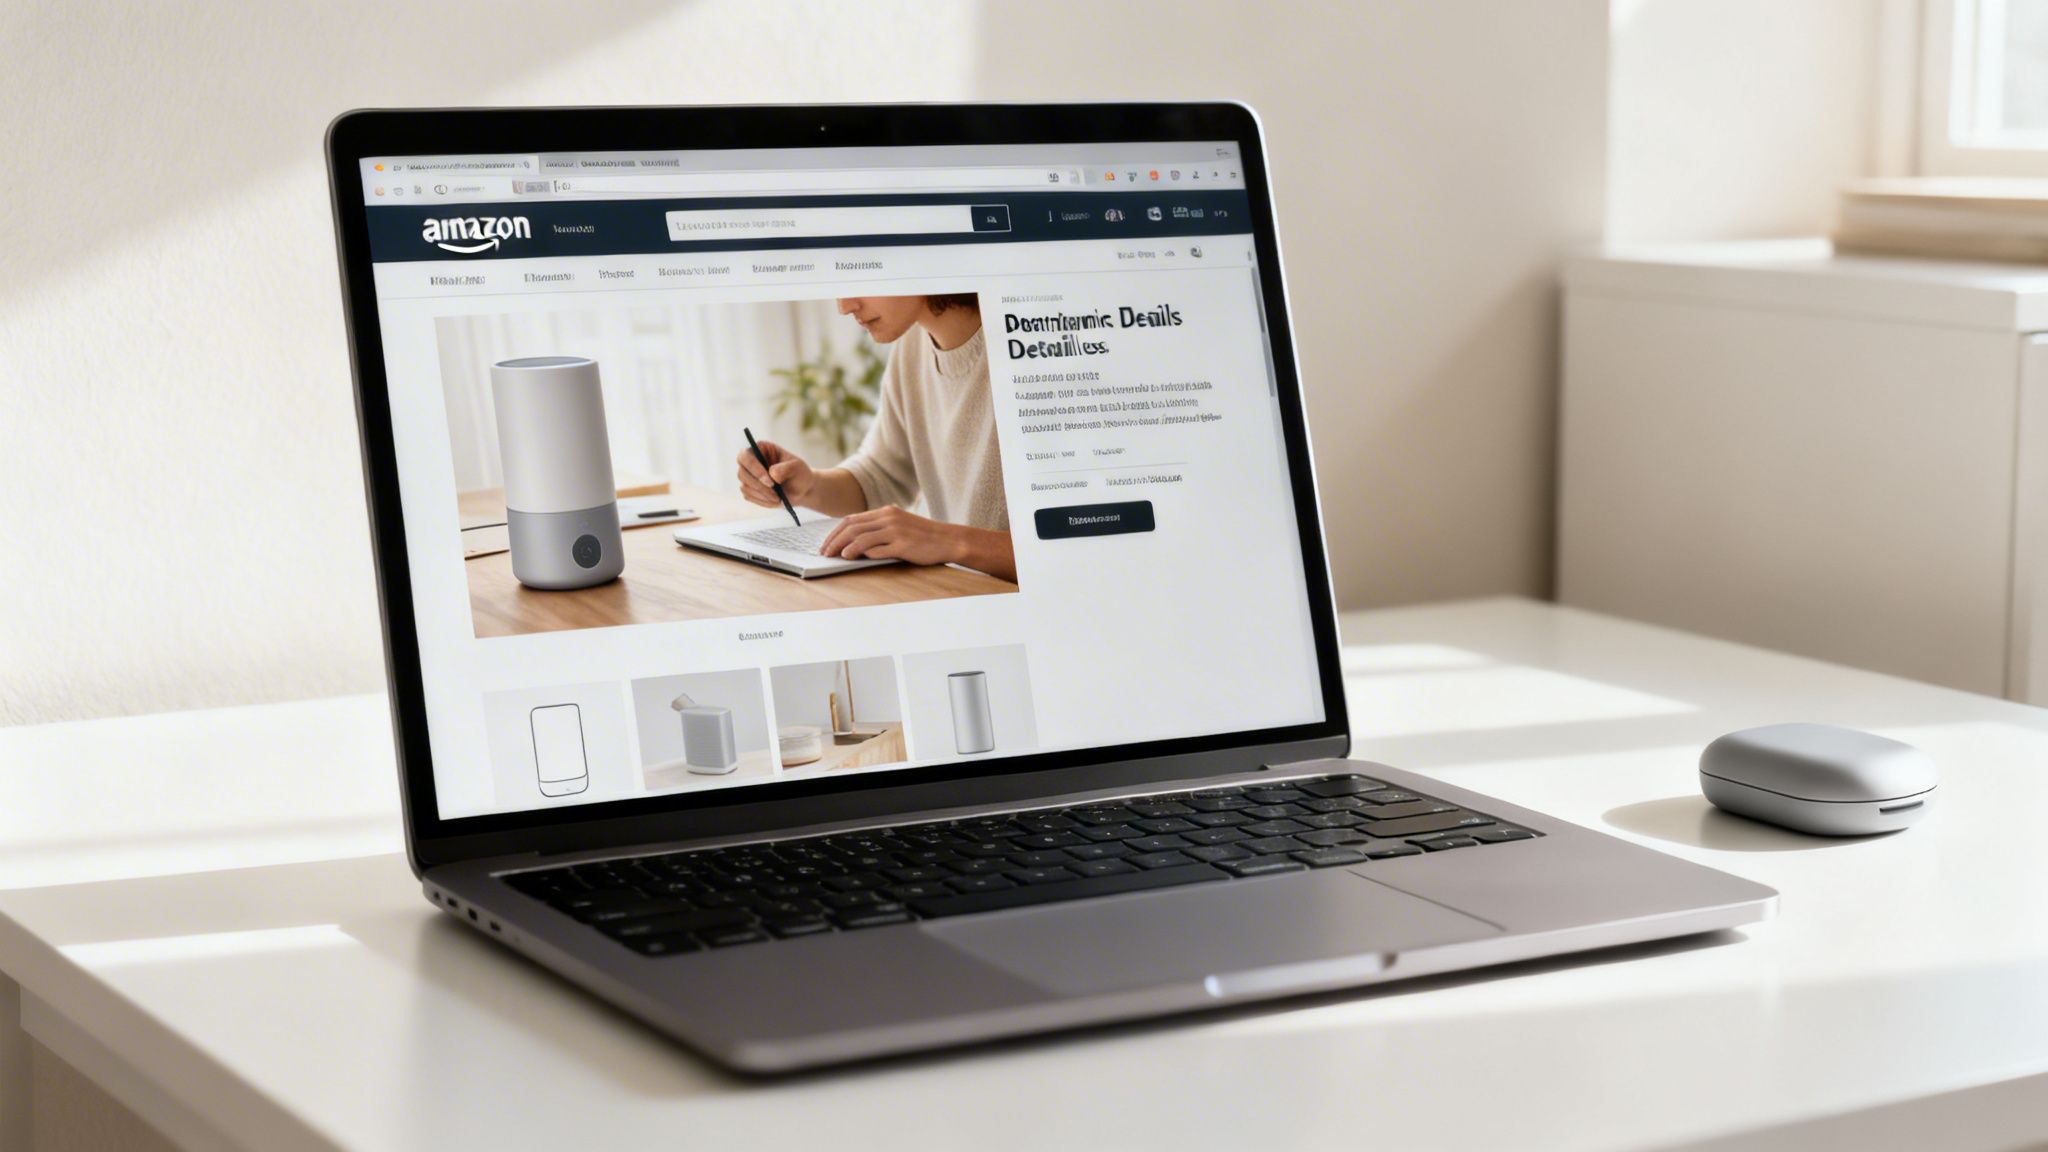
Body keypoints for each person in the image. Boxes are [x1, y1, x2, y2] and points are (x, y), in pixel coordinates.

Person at [736, 294, 1015, 583]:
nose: (844, 307)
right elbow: (881, 474)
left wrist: (949, 541)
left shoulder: (1029, 340)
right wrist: (808, 487)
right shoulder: (912, 345)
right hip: (952, 593)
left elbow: (1063, 548)